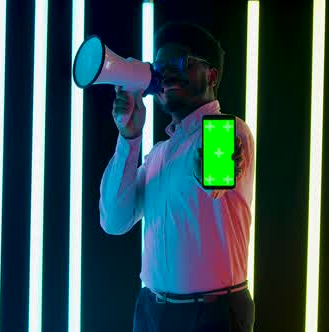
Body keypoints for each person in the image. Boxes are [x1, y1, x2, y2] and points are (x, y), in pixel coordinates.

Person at [99, 22, 255, 332]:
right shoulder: (158, 154)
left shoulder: (225, 130)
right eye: (158, 68)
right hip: (151, 312)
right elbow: (114, 221)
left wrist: (216, 166)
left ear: (212, 75)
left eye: (179, 63)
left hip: (212, 317)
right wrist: (129, 137)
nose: (165, 74)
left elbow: (215, 182)